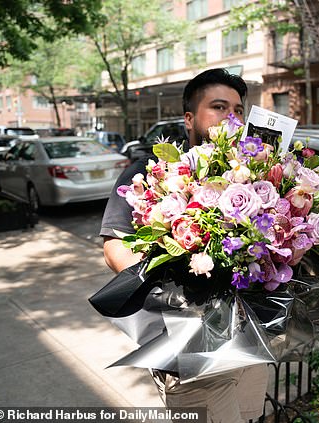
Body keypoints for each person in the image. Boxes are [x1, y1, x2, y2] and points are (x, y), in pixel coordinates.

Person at [99, 68, 269, 422]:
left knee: (252, 416)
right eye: (219, 107)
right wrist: (172, 294)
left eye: (238, 110)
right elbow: (114, 247)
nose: (231, 117)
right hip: (190, 345)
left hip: (250, 343)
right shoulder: (151, 171)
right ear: (189, 118)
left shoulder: (253, 174)